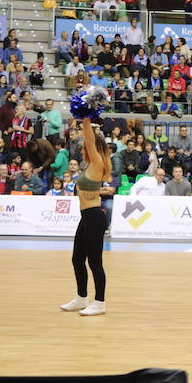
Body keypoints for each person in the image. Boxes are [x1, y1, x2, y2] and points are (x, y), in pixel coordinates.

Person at [59, 117, 112, 316]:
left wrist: (86, 119)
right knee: (77, 259)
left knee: (95, 262)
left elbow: (90, 141)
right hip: (86, 217)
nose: (81, 150)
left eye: (84, 148)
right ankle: (81, 298)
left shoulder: (97, 163)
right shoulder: (89, 166)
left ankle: (100, 302)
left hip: (94, 217)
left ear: (93, 149)